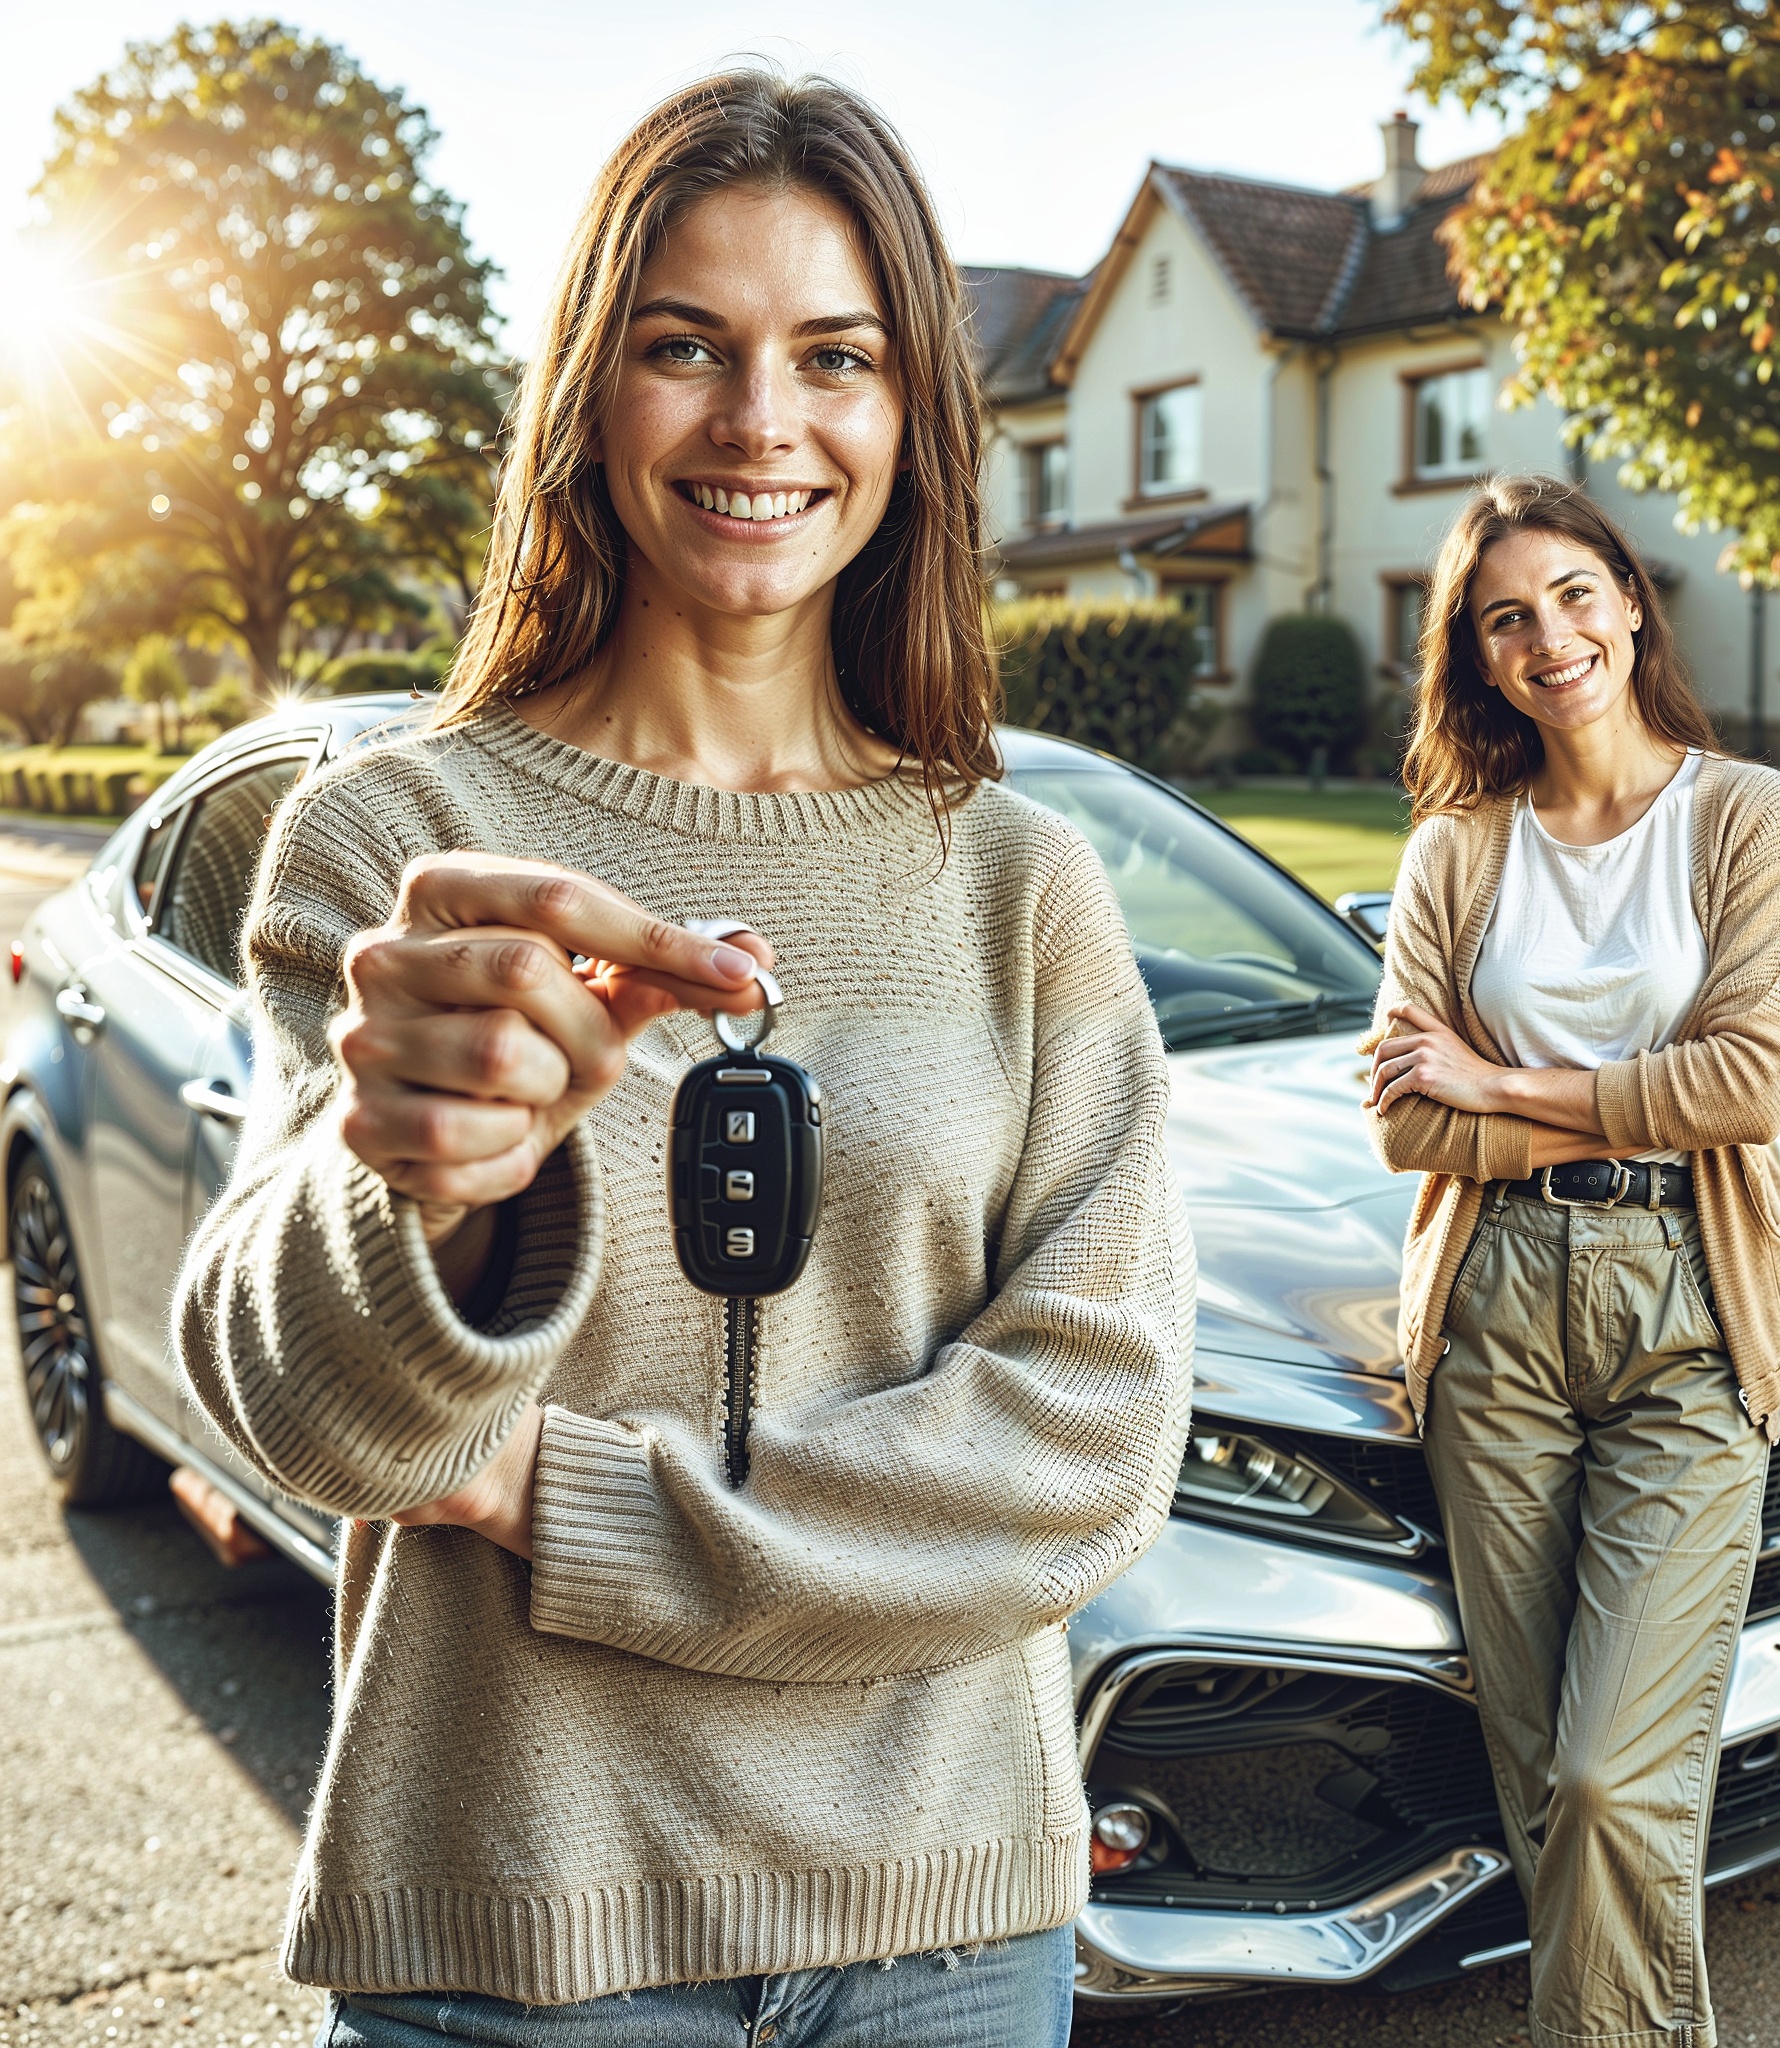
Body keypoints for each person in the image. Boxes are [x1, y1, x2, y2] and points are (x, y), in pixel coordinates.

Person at [174, 71, 1195, 2048]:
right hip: (506, 1922)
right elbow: (302, 1417)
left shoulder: (1016, 880)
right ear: (589, 389)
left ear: (914, 419)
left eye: (836, 356)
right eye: (683, 348)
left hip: (949, 1936)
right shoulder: (401, 846)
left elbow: (1085, 1448)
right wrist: (414, 1187)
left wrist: (555, 1499)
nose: (759, 423)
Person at [1363, 475, 1780, 2048]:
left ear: (1629, 601)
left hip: (1689, 1306)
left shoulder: (1748, 815)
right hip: (1493, 1319)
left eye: (1572, 595)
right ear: (1481, 660)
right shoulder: (1455, 853)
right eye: (1506, 618)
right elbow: (1409, 1131)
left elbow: (1747, 1086)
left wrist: (1496, 1083)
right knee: (1545, 1781)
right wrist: (1531, 1112)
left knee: (1613, 1774)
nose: (1548, 636)